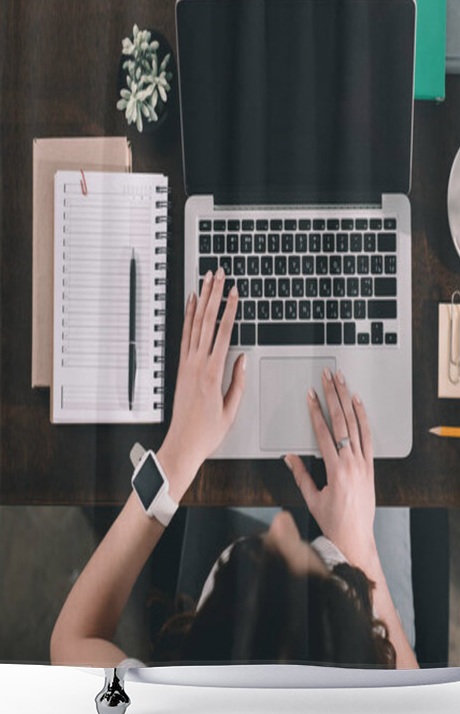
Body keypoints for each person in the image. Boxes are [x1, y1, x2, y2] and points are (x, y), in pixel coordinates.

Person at [50, 267, 418, 670]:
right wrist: (361, 551)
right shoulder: (380, 698)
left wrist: (176, 457)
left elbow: (72, 640)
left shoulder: (167, 706)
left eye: (264, 556)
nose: (281, 526)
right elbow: (408, 694)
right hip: (356, 612)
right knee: (380, 455)